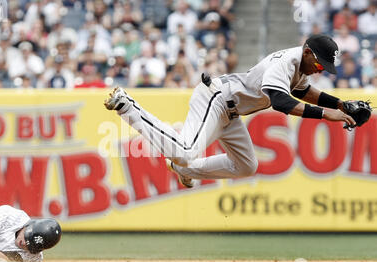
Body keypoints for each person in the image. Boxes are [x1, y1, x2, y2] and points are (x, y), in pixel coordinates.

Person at [104, 34, 356, 188]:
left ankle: (184, 170)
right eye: (320, 65)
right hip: (215, 98)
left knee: (246, 166)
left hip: (231, 113)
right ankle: (128, 106)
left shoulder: (300, 66)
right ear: (308, 52)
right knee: (185, 151)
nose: (320, 70)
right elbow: (280, 101)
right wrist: (325, 114)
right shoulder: (286, 62)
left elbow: (302, 92)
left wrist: (340, 105)